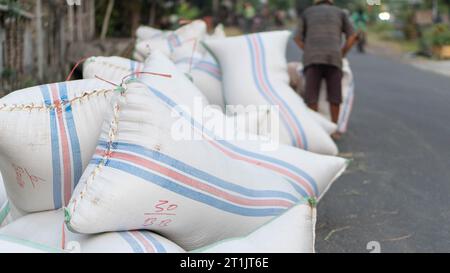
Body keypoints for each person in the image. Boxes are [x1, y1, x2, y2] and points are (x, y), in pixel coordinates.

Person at [294, 0, 358, 140]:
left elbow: (297, 38)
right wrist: (342, 53)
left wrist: (309, 51)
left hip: (312, 59)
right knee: (335, 96)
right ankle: (334, 130)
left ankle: (314, 129)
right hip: (334, 58)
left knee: (312, 96)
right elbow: (352, 37)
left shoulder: (307, 12)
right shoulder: (340, 13)